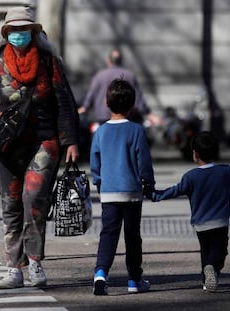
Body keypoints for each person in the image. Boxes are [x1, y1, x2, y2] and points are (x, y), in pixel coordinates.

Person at [0, 6, 80, 289]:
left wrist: (71, 140)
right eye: (13, 30)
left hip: (44, 142)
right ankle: (14, 268)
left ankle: (36, 262)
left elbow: (64, 102)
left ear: (34, 32)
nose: (19, 34)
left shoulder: (48, 61)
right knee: (11, 204)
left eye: (24, 29)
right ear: (6, 33)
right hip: (6, 147)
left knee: (36, 200)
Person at [151, 131, 230, 292]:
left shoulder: (190, 176)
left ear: (195, 154)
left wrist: (155, 195)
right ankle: (212, 269)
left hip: (200, 224)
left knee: (205, 251)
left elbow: (174, 191)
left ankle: (206, 281)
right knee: (219, 251)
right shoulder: (225, 171)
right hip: (219, 222)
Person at [90, 78, 155, 296]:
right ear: (132, 104)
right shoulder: (136, 131)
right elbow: (144, 162)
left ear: (106, 104)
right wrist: (149, 183)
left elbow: (94, 163)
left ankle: (101, 273)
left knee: (108, 234)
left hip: (109, 191)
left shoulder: (100, 132)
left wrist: (99, 182)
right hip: (132, 191)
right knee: (132, 236)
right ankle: (134, 279)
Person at [78, 48, 159, 126]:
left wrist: (84, 107)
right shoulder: (129, 75)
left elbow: (91, 94)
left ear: (108, 61)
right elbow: (139, 98)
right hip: (125, 117)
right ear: (121, 61)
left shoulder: (99, 76)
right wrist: (147, 113)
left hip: (103, 116)